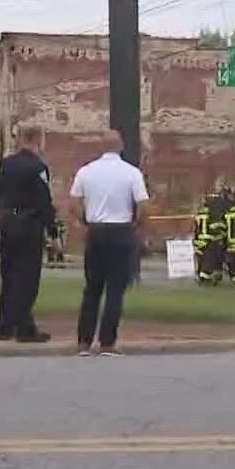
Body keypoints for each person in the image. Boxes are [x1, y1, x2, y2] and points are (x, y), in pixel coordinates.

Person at [69, 129, 149, 357]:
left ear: (101, 147)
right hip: (121, 230)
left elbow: (74, 203)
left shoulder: (86, 171)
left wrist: (83, 225)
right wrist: (137, 226)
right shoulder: (132, 173)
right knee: (115, 289)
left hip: (96, 230)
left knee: (92, 288)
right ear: (121, 146)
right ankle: (107, 342)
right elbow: (143, 205)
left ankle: (84, 342)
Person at [0, 126, 56, 342]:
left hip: (7, 223)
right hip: (29, 225)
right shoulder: (38, 168)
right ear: (37, 140)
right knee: (27, 279)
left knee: (9, 275)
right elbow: (44, 201)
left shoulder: (6, 164)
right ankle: (24, 328)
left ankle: (4, 326)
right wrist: (53, 231)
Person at [192, 191, 227, 285]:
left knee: (201, 258)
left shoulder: (199, 212)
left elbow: (195, 227)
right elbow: (214, 226)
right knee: (210, 259)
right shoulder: (213, 212)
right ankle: (205, 277)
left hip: (199, 239)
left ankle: (200, 275)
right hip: (208, 239)